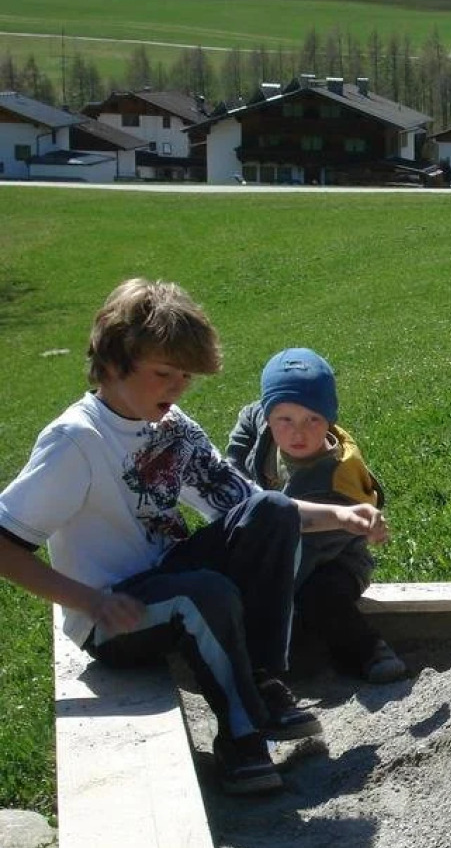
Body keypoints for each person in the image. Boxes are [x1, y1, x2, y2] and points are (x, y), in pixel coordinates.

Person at [0, 279, 386, 795]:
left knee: (270, 511)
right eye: (164, 373)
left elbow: (247, 505)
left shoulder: (171, 426)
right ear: (114, 362)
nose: (178, 387)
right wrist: (91, 602)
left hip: (169, 577)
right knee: (203, 592)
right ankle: (241, 738)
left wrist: (342, 516)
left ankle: (263, 680)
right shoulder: (76, 441)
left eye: (186, 376)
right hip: (113, 615)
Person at [227, 347, 404, 684]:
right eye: (285, 420)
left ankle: (369, 651)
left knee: (320, 597)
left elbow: (303, 557)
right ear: (270, 415)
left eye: (313, 420)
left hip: (332, 561)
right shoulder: (263, 423)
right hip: (274, 543)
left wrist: (262, 598)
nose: (298, 433)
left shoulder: (335, 481)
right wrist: (234, 470)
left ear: (329, 419)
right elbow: (248, 420)